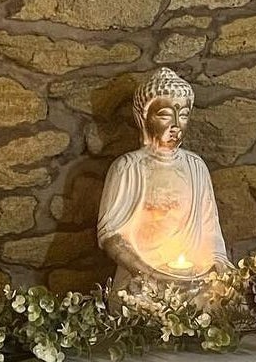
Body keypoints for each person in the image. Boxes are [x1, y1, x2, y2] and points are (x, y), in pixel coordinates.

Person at [97, 67, 231, 291]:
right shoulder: (129, 168)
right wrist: (149, 273)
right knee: (141, 305)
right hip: (143, 277)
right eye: (165, 115)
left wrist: (217, 265)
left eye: (184, 115)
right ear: (144, 118)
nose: (176, 124)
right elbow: (112, 236)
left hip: (194, 276)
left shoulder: (196, 167)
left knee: (226, 299)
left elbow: (211, 232)